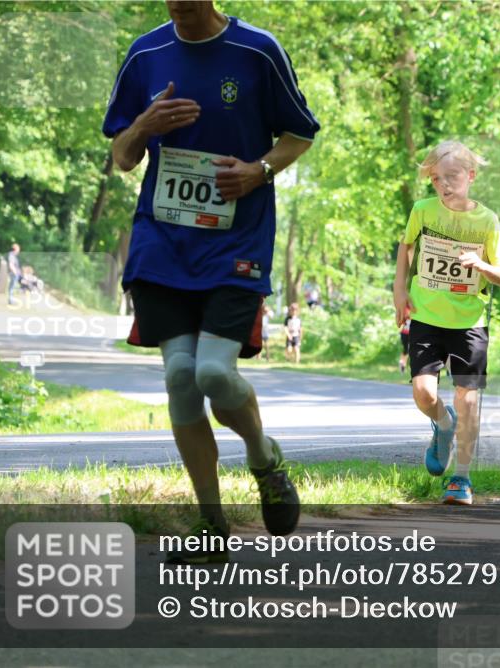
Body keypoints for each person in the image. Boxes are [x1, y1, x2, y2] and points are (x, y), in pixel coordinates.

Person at [103, 0, 320, 563]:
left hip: (236, 242)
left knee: (214, 374)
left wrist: (258, 171)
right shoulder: (146, 53)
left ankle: (264, 459)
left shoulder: (258, 51)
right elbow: (121, 157)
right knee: (180, 377)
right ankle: (211, 525)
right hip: (163, 244)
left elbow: (299, 134)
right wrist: (145, 125)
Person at [392, 140, 500, 506]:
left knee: (468, 400)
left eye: (452, 176)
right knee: (424, 393)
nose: (444, 184)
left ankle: (461, 477)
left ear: (470, 176)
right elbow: (406, 249)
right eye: (436, 178)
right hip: (426, 316)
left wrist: (482, 265)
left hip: (469, 322)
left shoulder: (487, 221)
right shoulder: (423, 211)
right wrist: (400, 291)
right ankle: (444, 425)